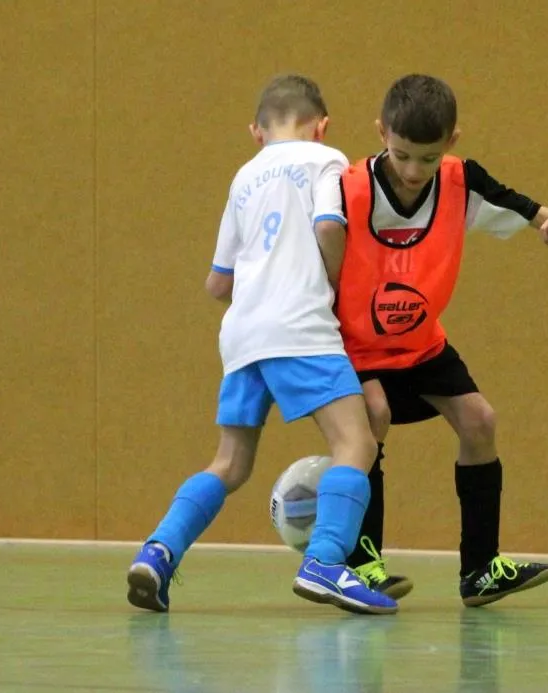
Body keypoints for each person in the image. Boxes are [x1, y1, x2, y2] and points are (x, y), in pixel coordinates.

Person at [125, 74, 397, 615]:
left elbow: (217, 283)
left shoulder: (244, 176)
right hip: (301, 324)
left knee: (229, 463)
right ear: (322, 126)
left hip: (243, 335)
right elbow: (329, 226)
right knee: (357, 441)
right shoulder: (326, 160)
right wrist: (334, 286)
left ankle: (157, 551)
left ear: (256, 132)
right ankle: (325, 561)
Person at [335, 74, 548, 606]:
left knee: (480, 421)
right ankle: (362, 564)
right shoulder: (346, 187)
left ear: (452, 141)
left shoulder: (461, 181)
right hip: (355, 348)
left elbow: (529, 210)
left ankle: (481, 568)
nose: (412, 171)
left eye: (428, 157)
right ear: (381, 133)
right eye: (401, 155)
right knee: (373, 416)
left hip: (422, 345)